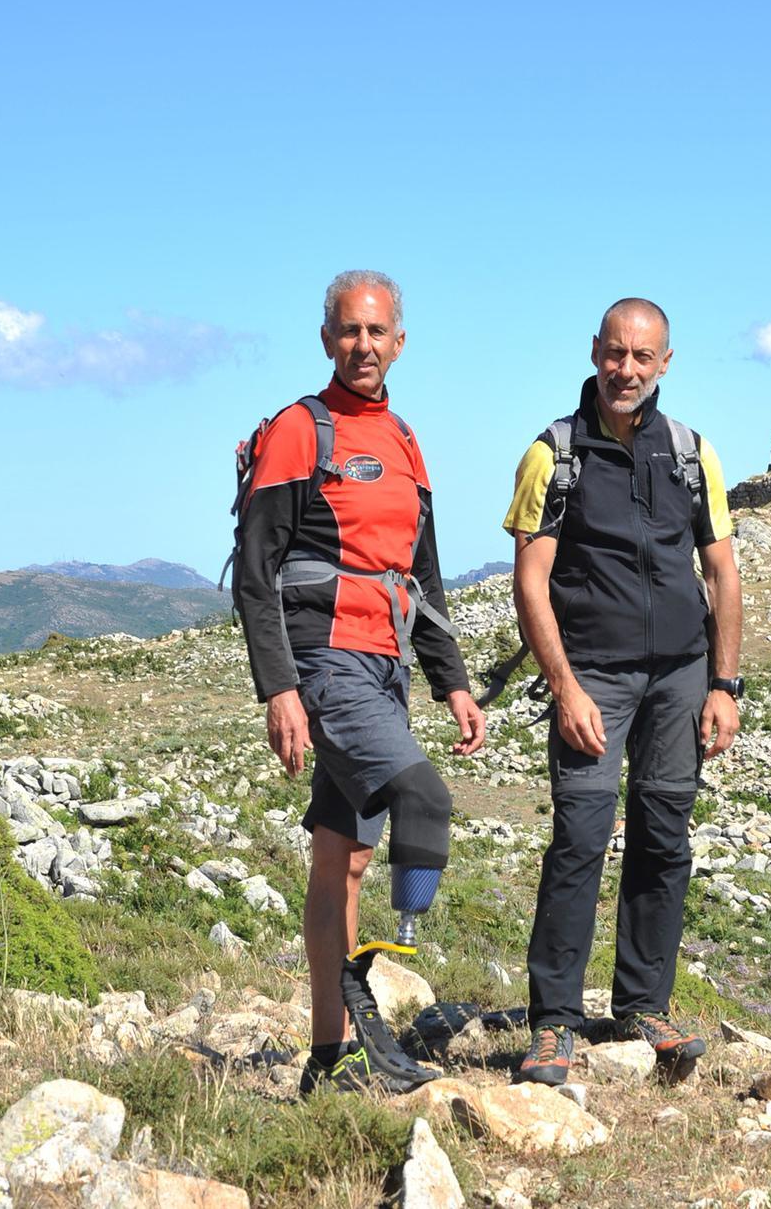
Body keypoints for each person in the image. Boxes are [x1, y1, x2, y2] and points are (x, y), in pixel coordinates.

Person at [235, 270, 485, 1093]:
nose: (364, 346)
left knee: (339, 862)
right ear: (326, 339)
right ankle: (390, 959)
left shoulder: (405, 441)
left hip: (387, 664)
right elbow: (256, 572)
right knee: (425, 801)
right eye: (349, 331)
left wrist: (452, 683)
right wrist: (280, 689)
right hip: (325, 659)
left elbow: (427, 576)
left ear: (400, 341)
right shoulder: (300, 432)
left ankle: (327, 1058)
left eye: (378, 333)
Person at [502, 297, 743, 1085]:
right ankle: (554, 1023)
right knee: (578, 837)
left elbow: (722, 572)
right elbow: (530, 582)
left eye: (643, 358)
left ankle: (644, 1004)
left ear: (665, 363)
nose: (626, 370)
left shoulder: (690, 453)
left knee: (664, 837)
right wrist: (564, 686)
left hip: (680, 674)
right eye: (615, 354)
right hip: (592, 676)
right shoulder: (554, 454)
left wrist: (724, 684)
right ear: (594, 351)